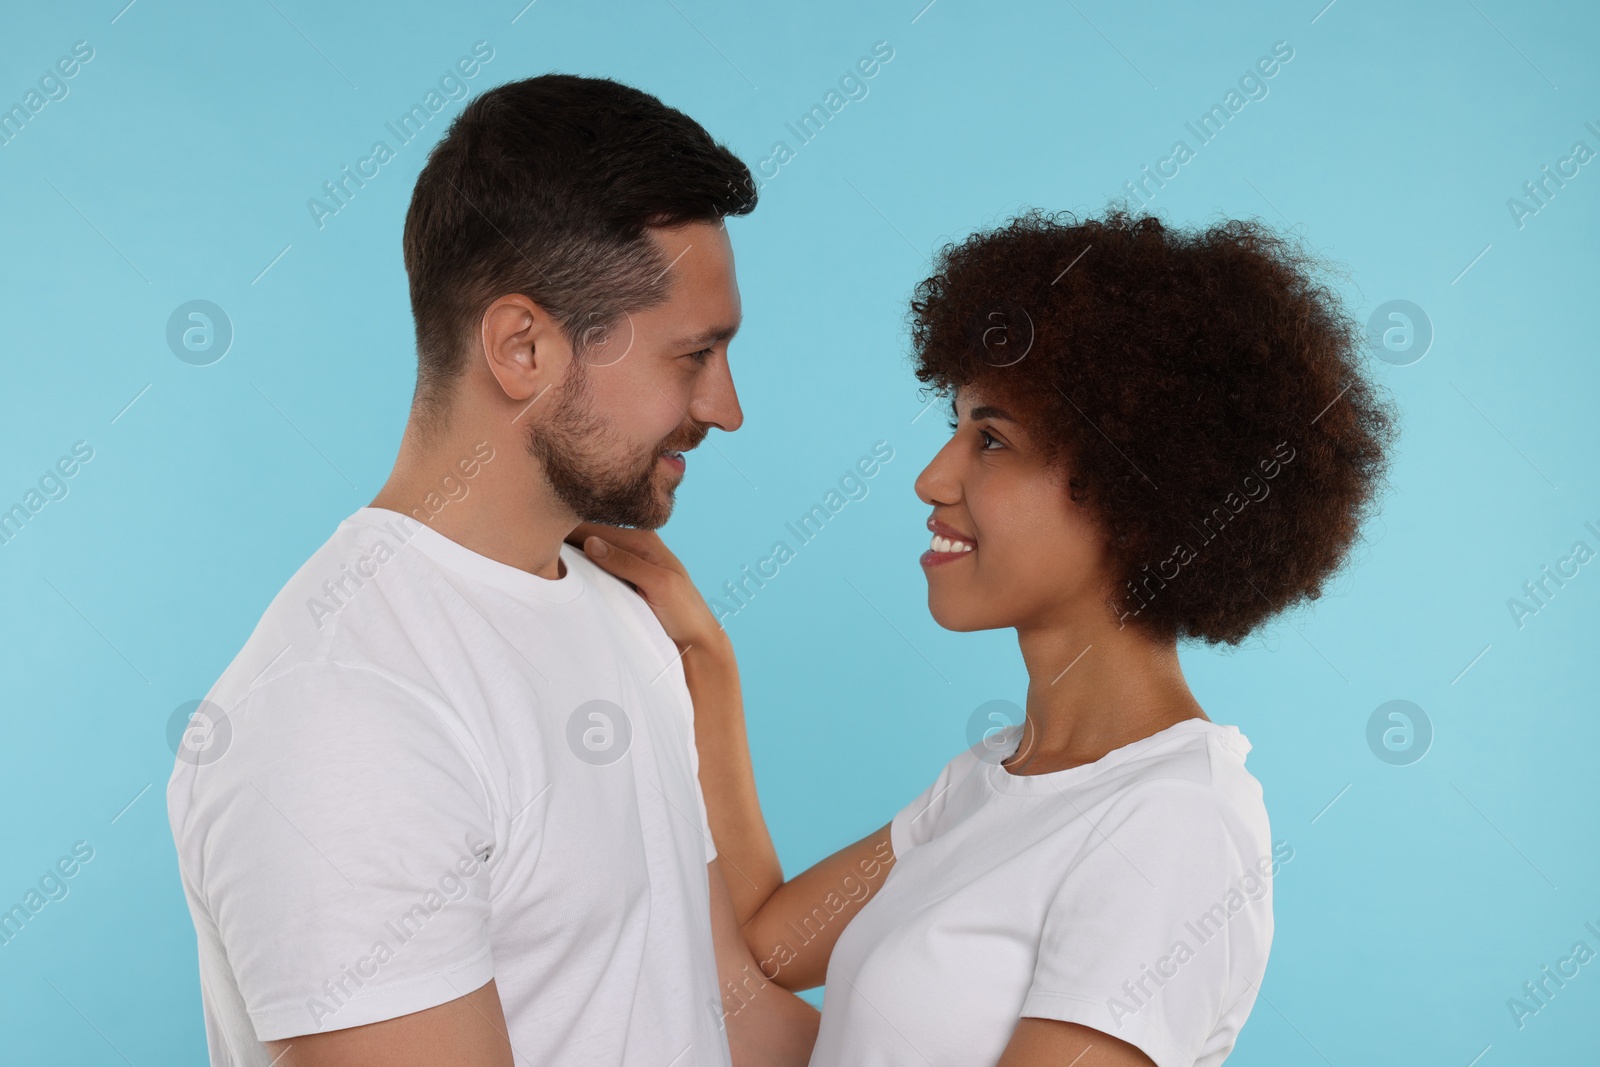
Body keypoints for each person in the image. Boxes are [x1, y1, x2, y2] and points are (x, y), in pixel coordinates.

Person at [573, 208, 1397, 1067]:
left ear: (1134, 489)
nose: (934, 477)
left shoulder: (1175, 819)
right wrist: (705, 660)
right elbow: (763, 943)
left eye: (992, 439)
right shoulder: (988, 781)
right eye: (957, 425)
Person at [165, 74, 820, 1066]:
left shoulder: (622, 612)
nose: (726, 407)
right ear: (523, 347)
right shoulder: (343, 713)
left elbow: (724, 1011)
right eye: (694, 356)